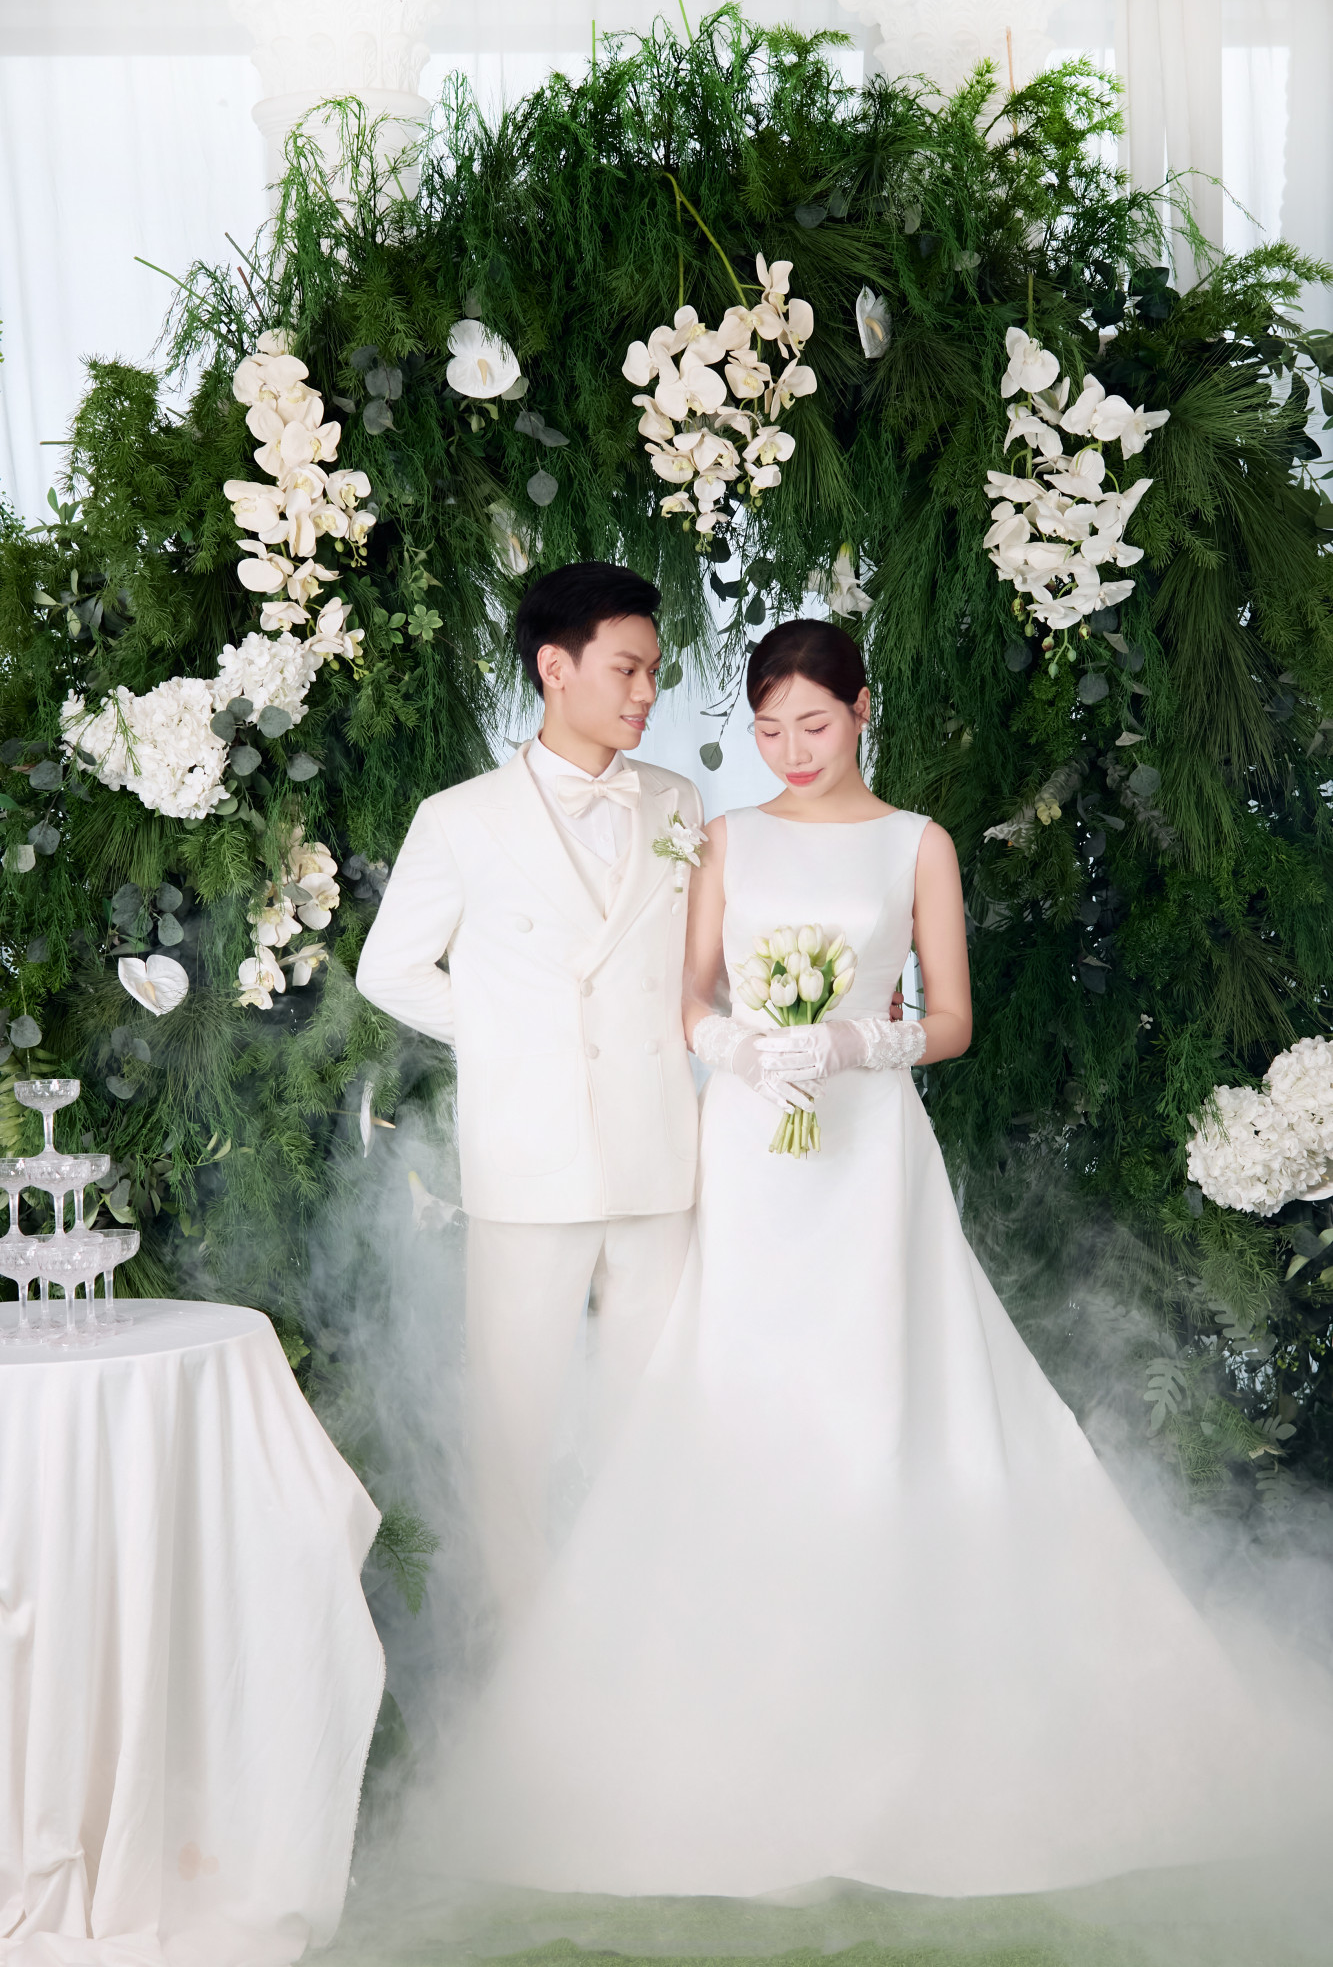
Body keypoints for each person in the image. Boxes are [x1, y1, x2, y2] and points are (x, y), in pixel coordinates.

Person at [433, 619, 1271, 1899]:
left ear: (863, 709)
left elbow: (952, 1018)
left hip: (869, 1147)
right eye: (767, 728)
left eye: (813, 724)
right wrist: (739, 1046)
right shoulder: (725, 836)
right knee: (735, 1386)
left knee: (883, 1386)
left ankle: (918, 1709)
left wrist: (852, 1046)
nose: (789, 749)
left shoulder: (915, 842)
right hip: (749, 1150)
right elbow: (688, 995)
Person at [355, 562, 704, 1621]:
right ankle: (523, 1647)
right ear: (555, 667)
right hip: (527, 1157)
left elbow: (696, 965)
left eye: (653, 670)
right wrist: (521, 1039)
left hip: (660, 1154)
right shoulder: (460, 817)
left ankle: (646, 1627)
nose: (646, 692)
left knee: (655, 1411)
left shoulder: (677, 800)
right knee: (513, 1425)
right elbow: (388, 970)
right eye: (627, 669)